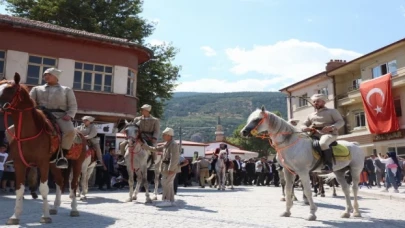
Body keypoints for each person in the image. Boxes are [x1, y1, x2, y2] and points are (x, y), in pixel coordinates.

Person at [30, 68, 78, 169]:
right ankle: (15, 155)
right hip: (41, 115)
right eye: (45, 75)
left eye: (49, 75)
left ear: (56, 77)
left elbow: (73, 105)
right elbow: (30, 103)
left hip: (60, 116)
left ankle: (62, 155)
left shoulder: (66, 90)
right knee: (18, 128)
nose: (46, 77)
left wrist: (69, 115)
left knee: (70, 131)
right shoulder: (36, 89)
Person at [300, 94, 344, 172]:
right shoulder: (311, 115)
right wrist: (304, 128)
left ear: (323, 102)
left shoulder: (332, 111)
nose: (315, 103)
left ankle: (328, 165)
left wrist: (332, 127)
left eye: (318, 101)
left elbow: (341, 122)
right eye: (314, 102)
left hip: (329, 134)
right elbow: (303, 124)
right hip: (314, 134)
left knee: (323, 143)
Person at [141, 127, 179, 207]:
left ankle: (166, 200)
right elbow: (155, 149)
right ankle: (171, 200)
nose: (163, 136)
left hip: (170, 168)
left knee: (165, 183)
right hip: (166, 167)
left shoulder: (173, 145)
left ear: (169, 135)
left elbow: (174, 158)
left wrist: (171, 169)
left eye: (164, 135)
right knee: (168, 184)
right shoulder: (167, 144)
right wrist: (145, 146)